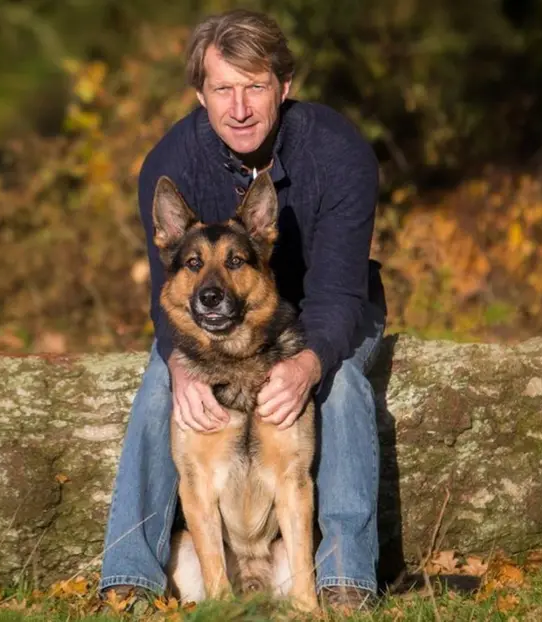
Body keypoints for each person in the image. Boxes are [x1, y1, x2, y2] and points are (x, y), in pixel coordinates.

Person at [99, 8, 387, 613]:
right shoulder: (170, 161)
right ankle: (129, 573)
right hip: (220, 327)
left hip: (326, 311)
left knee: (342, 385)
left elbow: (339, 296)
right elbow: (171, 298)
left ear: (284, 87)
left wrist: (308, 365)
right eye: (223, 88)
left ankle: (344, 578)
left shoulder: (339, 153)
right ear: (200, 93)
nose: (240, 107)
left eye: (255, 86)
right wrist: (179, 368)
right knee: (161, 383)